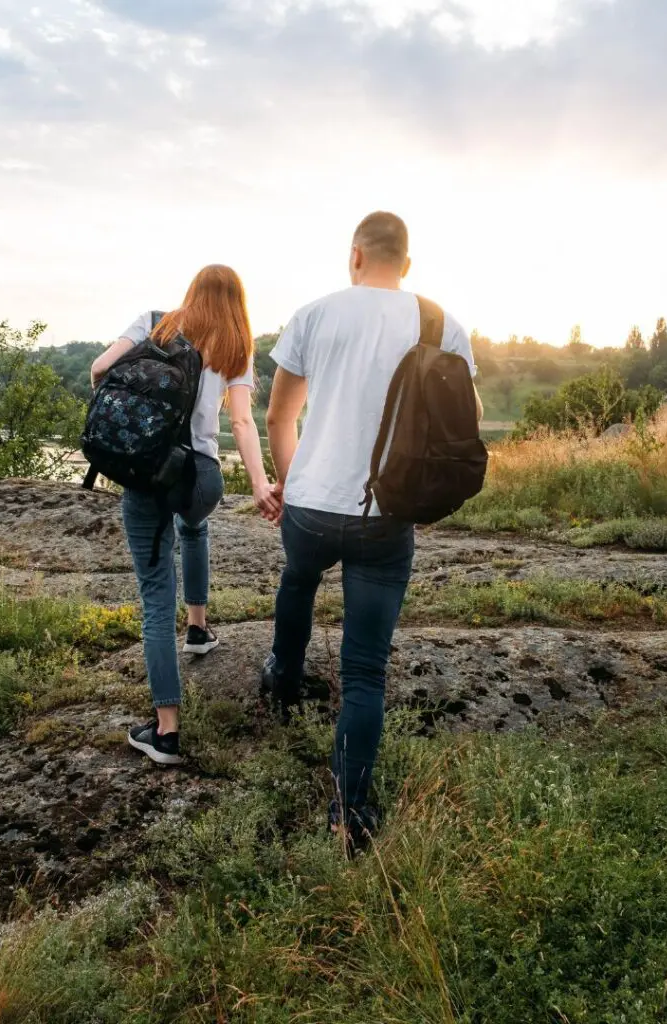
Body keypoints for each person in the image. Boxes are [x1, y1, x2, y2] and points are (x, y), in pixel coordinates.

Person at [263, 212, 481, 850]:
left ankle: (283, 679)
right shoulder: (443, 324)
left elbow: (279, 416)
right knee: (364, 673)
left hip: (310, 506)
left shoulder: (314, 314)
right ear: (405, 264)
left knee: (298, 582)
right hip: (386, 515)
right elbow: (456, 426)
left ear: (354, 255)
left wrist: (289, 484)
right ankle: (349, 815)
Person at [90, 265, 281, 766]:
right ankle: (198, 629)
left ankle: (166, 731)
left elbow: (97, 369)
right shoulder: (235, 347)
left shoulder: (153, 323)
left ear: (192, 293)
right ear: (235, 304)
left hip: (150, 469)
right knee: (194, 524)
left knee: (156, 597)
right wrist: (261, 484)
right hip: (201, 477)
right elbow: (241, 420)